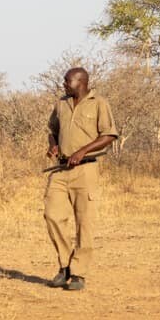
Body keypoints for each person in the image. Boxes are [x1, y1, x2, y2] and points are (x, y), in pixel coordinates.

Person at [44, 66, 118, 292]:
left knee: (84, 223)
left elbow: (109, 135)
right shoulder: (61, 103)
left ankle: (78, 273)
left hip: (85, 171)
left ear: (82, 82)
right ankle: (65, 264)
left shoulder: (99, 103)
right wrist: (53, 145)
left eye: (68, 81)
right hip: (60, 170)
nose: (64, 84)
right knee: (52, 215)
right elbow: (51, 129)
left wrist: (82, 152)